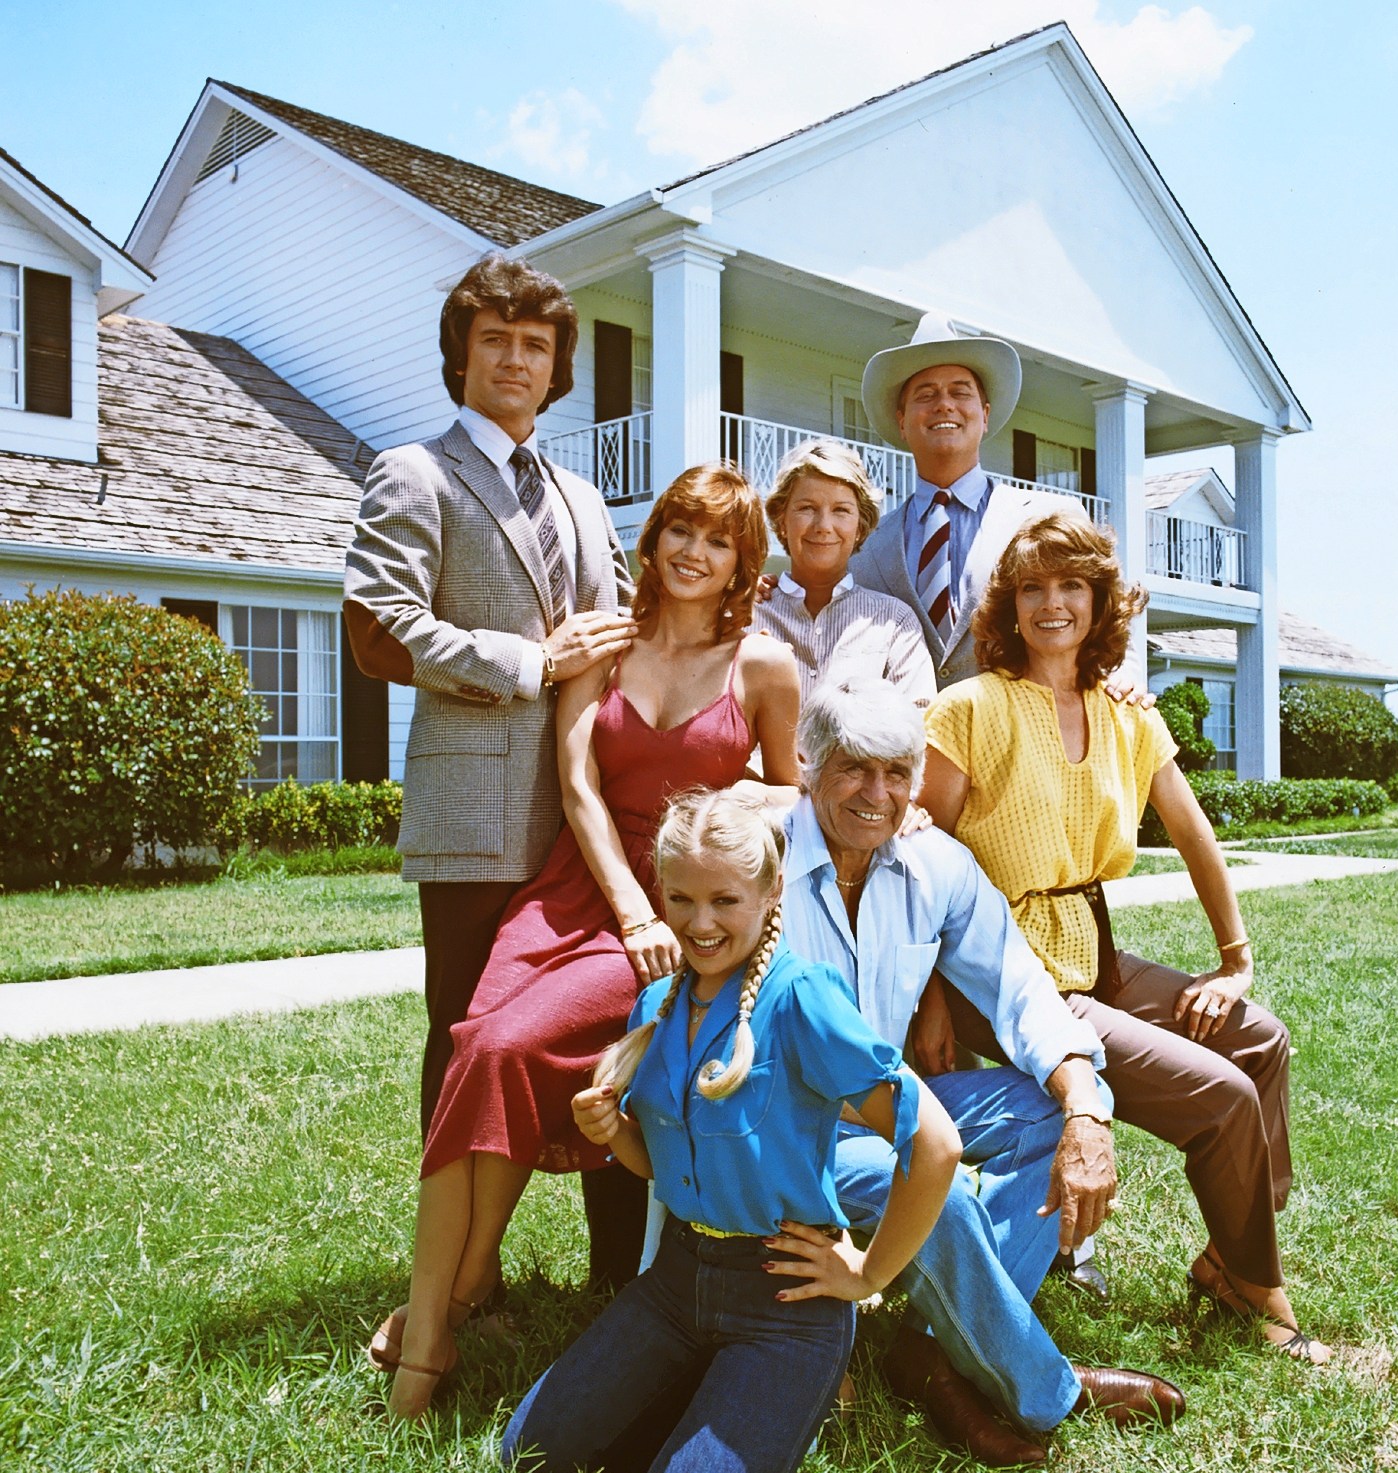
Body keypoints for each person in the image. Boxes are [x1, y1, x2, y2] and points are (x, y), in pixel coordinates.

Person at [374, 465, 803, 1418]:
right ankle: (453, 1293)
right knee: (478, 1049)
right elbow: (576, 787)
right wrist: (628, 907)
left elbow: (791, 790)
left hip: (686, 908)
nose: (694, 552)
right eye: (679, 531)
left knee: (503, 1050)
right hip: (580, 891)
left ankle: (447, 1303)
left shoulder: (765, 665)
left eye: (719, 540)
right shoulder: (605, 647)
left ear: (741, 562)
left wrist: (731, 809)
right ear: (650, 543)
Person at [917, 508, 1330, 1365]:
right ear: (1008, 606)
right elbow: (917, 864)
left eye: (1071, 585)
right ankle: (1259, 1285)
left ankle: (1227, 1251)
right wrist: (930, 1001)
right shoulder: (968, 707)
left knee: (1258, 1042)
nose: (1051, 603)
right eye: (1031, 588)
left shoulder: (1126, 714)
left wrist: (1235, 960)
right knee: (1218, 1096)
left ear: (1101, 602)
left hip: (1090, 947)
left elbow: (1192, 831)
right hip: (1004, 971)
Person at [777, 677, 1185, 1467]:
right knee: (942, 1198)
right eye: (854, 768)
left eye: (897, 772)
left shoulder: (934, 863)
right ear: (808, 765)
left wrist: (1084, 1110)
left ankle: (930, 1345)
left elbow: (1018, 988)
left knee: (1051, 1105)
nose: (878, 793)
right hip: (790, 1124)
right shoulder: (760, 851)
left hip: (894, 1106)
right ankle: (1047, 1386)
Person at [500, 787, 964, 1473]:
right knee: (529, 1454)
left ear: (772, 890)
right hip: (675, 1281)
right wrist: (614, 1130)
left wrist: (868, 1273)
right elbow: (659, 1168)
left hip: (783, 1300)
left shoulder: (801, 996)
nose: (700, 921)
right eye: (681, 898)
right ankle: (698, 1403)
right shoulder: (657, 1004)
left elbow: (935, 1144)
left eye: (724, 900)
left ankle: (759, 1403)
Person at [343, 253, 640, 1288]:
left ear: (558, 367)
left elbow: (631, 632)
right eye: (495, 340)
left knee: (620, 1025)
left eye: (536, 345)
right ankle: (465, 1274)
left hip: (598, 821)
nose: (516, 360)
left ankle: (620, 1274)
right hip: (474, 814)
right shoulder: (413, 473)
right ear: (460, 357)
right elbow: (378, 631)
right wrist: (526, 664)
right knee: (468, 1037)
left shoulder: (586, 497)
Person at [847, 311, 1051, 690]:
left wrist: (1121, 675)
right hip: (904, 745)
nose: (944, 404)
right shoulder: (865, 549)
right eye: (926, 395)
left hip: (1017, 743)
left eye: (960, 391)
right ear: (903, 421)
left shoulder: (1046, 519)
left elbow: (1105, 624)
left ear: (985, 415)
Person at [751, 439, 935, 707]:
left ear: (860, 526)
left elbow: (916, 729)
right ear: (781, 521)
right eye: (807, 508)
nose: (824, 526)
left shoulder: (894, 623)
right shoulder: (745, 614)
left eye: (841, 510)